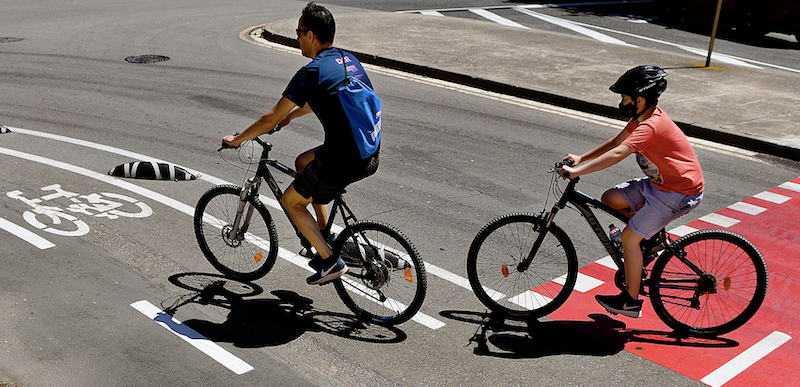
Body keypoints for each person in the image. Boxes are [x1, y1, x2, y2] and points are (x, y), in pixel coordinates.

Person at [222, 3, 379, 285]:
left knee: (291, 202)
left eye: (299, 32)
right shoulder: (348, 60)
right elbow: (322, 98)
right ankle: (324, 232)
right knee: (303, 162)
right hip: (369, 153)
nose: (297, 38)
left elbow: (269, 119)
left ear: (312, 35)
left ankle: (330, 260)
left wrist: (237, 139)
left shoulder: (312, 71)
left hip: (341, 160)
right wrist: (292, 117)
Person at [558, 65, 704, 318]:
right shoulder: (642, 119)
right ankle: (647, 240)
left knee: (628, 238)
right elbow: (615, 142)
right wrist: (581, 158)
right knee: (610, 199)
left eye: (625, 97)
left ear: (640, 97)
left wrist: (578, 172)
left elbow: (618, 153)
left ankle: (630, 302)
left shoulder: (651, 126)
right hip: (661, 184)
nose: (622, 102)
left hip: (679, 192)